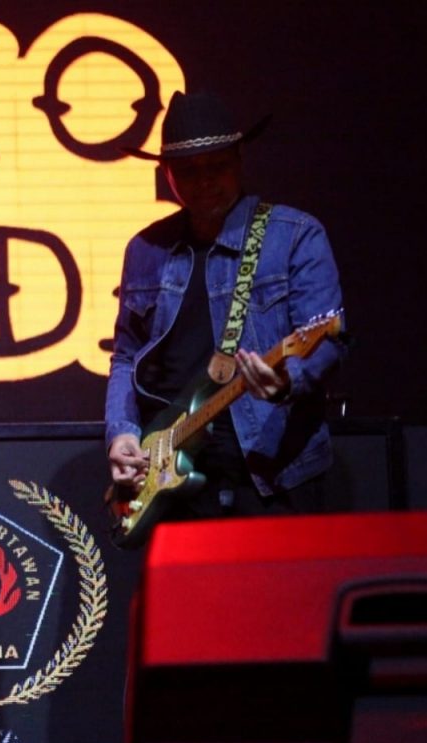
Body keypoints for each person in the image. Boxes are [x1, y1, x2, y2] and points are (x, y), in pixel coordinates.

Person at [106, 90, 344, 524]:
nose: (204, 183)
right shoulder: (144, 248)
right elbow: (126, 356)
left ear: (239, 159)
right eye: (188, 172)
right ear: (166, 173)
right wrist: (122, 432)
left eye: (216, 167)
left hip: (271, 473)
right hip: (170, 476)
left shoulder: (295, 234)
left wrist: (286, 381)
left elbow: (327, 340)